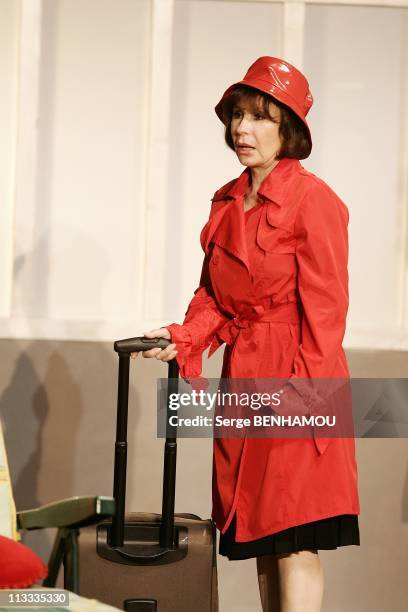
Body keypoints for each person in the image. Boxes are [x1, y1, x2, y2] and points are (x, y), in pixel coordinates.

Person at [132, 57, 360, 612]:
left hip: (301, 373)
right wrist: (184, 337)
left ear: (289, 129)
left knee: (296, 535)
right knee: (260, 532)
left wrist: (304, 400)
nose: (242, 129)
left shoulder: (314, 201)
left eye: (259, 117)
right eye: (237, 115)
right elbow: (214, 295)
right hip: (246, 375)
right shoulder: (226, 201)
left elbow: (328, 311)